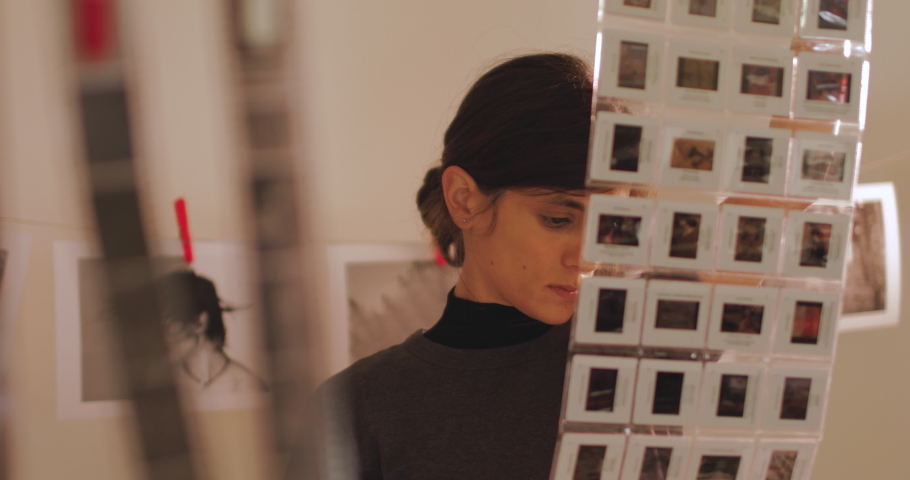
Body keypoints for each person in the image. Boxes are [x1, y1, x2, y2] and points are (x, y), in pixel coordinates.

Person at [289, 53, 596, 480]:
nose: (588, 257)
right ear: (463, 199)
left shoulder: (641, 381)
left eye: (613, 225)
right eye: (559, 220)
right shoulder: (355, 409)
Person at [158, 270, 268, 393]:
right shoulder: (163, 386)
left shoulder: (248, 388)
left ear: (199, 321)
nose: (157, 338)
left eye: (166, 325)